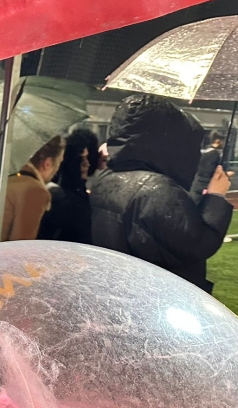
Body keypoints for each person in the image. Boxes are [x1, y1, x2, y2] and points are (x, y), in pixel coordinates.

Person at [88, 94, 232, 292]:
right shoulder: (157, 189)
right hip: (159, 294)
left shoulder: (107, 177)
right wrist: (216, 197)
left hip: (123, 287)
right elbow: (195, 245)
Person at [38, 128, 98, 244]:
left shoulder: (77, 194)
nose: (86, 164)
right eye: (81, 159)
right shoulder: (59, 197)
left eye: (88, 158)